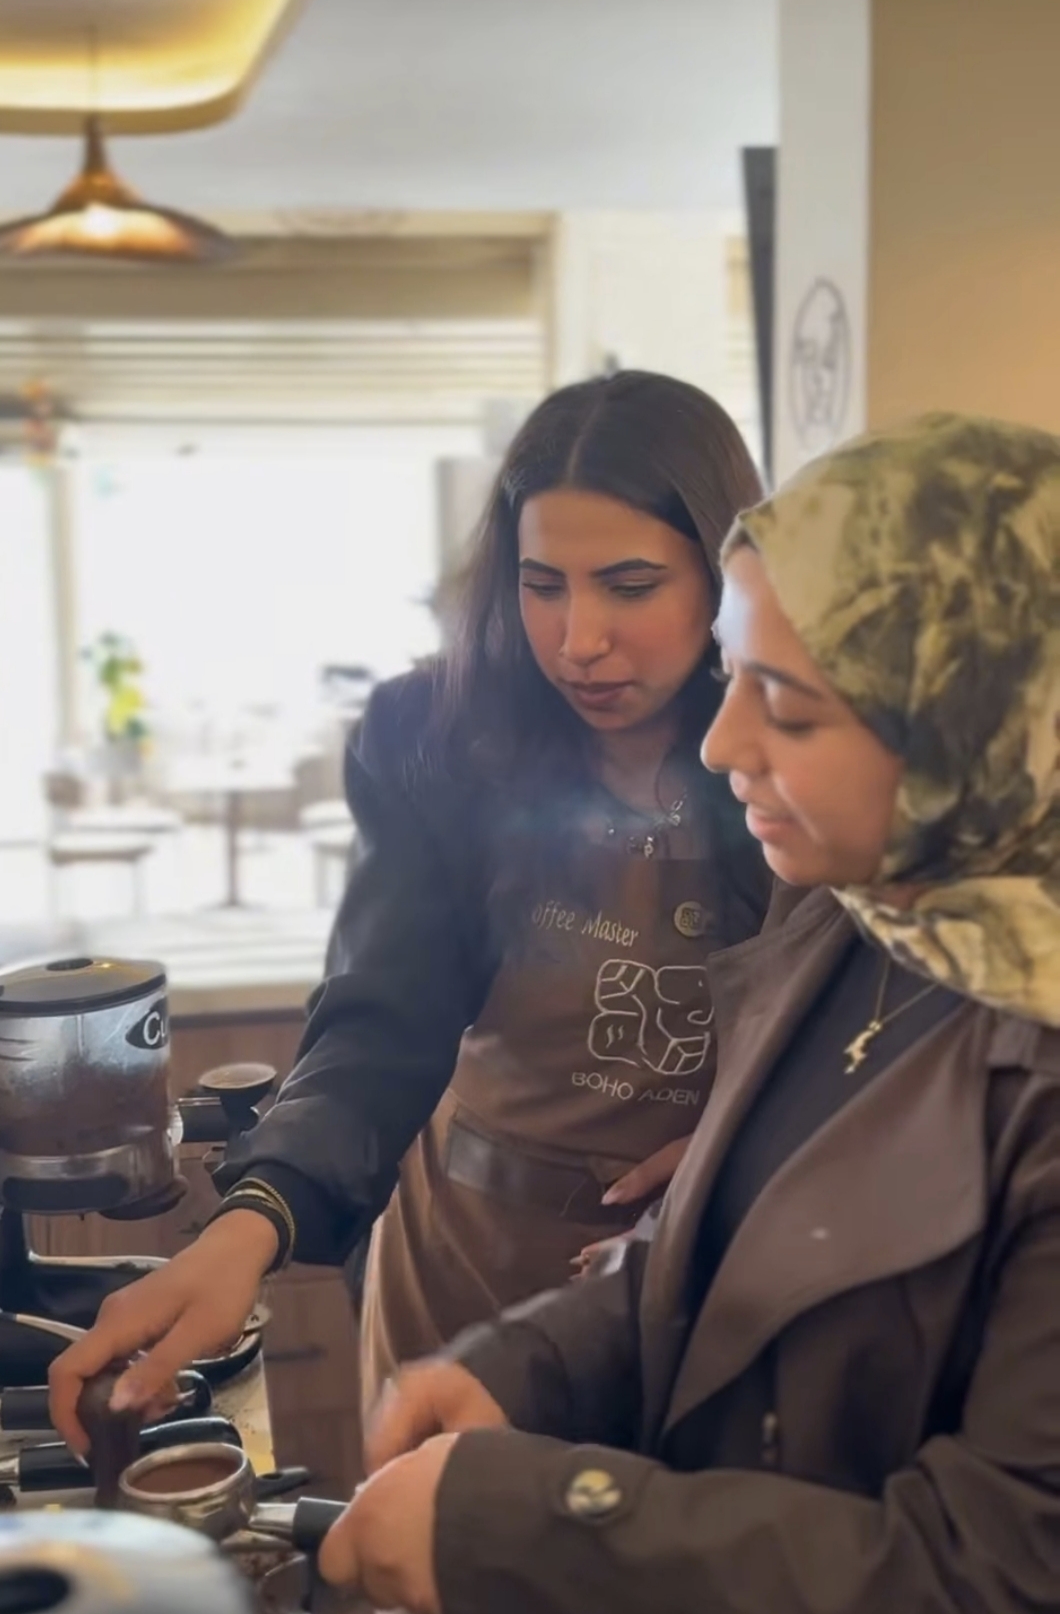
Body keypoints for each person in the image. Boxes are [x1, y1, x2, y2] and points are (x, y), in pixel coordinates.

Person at [315, 410, 1060, 1614]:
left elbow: (997, 1570)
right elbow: (731, 1241)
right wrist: (533, 1363)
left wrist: (532, 1521)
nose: (720, 743)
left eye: (788, 706)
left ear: (977, 721)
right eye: (732, 673)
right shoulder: (860, 922)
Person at [49, 370, 770, 1444]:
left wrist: (749, 1141)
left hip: (705, 1266)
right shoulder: (437, 741)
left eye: (628, 586)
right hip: (469, 1256)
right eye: (541, 585)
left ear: (725, 575)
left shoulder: (793, 744)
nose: (578, 639)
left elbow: (868, 1022)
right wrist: (250, 1222)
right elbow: (385, 1017)